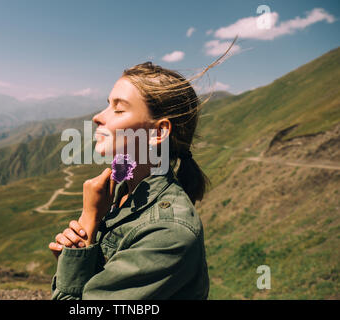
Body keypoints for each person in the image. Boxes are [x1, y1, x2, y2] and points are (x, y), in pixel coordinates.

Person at [48, 39, 237, 299]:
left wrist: (89, 217)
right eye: (107, 104)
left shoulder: (169, 232)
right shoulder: (120, 193)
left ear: (158, 132)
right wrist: (78, 251)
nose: (98, 116)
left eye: (118, 109)